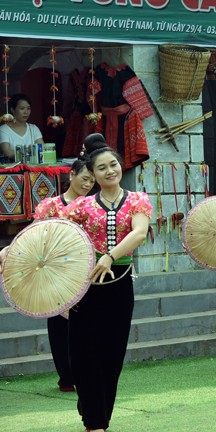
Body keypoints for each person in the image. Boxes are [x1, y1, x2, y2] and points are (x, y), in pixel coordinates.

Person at [62, 133, 151, 432]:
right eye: (102, 168)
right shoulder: (82, 207)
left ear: (120, 165)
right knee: (83, 354)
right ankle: (95, 422)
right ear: (93, 175)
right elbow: (53, 234)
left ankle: (97, 412)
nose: (110, 171)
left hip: (119, 287)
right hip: (85, 288)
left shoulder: (138, 200)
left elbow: (139, 233)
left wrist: (110, 256)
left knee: (112, 356)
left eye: (113, 164)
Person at [0, 159, 94, 393]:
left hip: (83, 269)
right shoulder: (52, 205)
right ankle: (65, 377)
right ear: (71, 175)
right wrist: (10, 250)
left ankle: (87, 373)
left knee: (86, 324)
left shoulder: (94, 205)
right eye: (85, 178)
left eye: (92, 181)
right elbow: (33, 233)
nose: (88, 184)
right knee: (59, 322)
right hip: (54, 270)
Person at [0, 93, 43, 160]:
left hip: (33, 168)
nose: (26, 112)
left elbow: (41, 149)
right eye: (22, 108)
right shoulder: (4, 130)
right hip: (13, 169)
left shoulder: (34, 128)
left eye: (28, 108)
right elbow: (7, 152)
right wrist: (30, 155)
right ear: (12, 110)